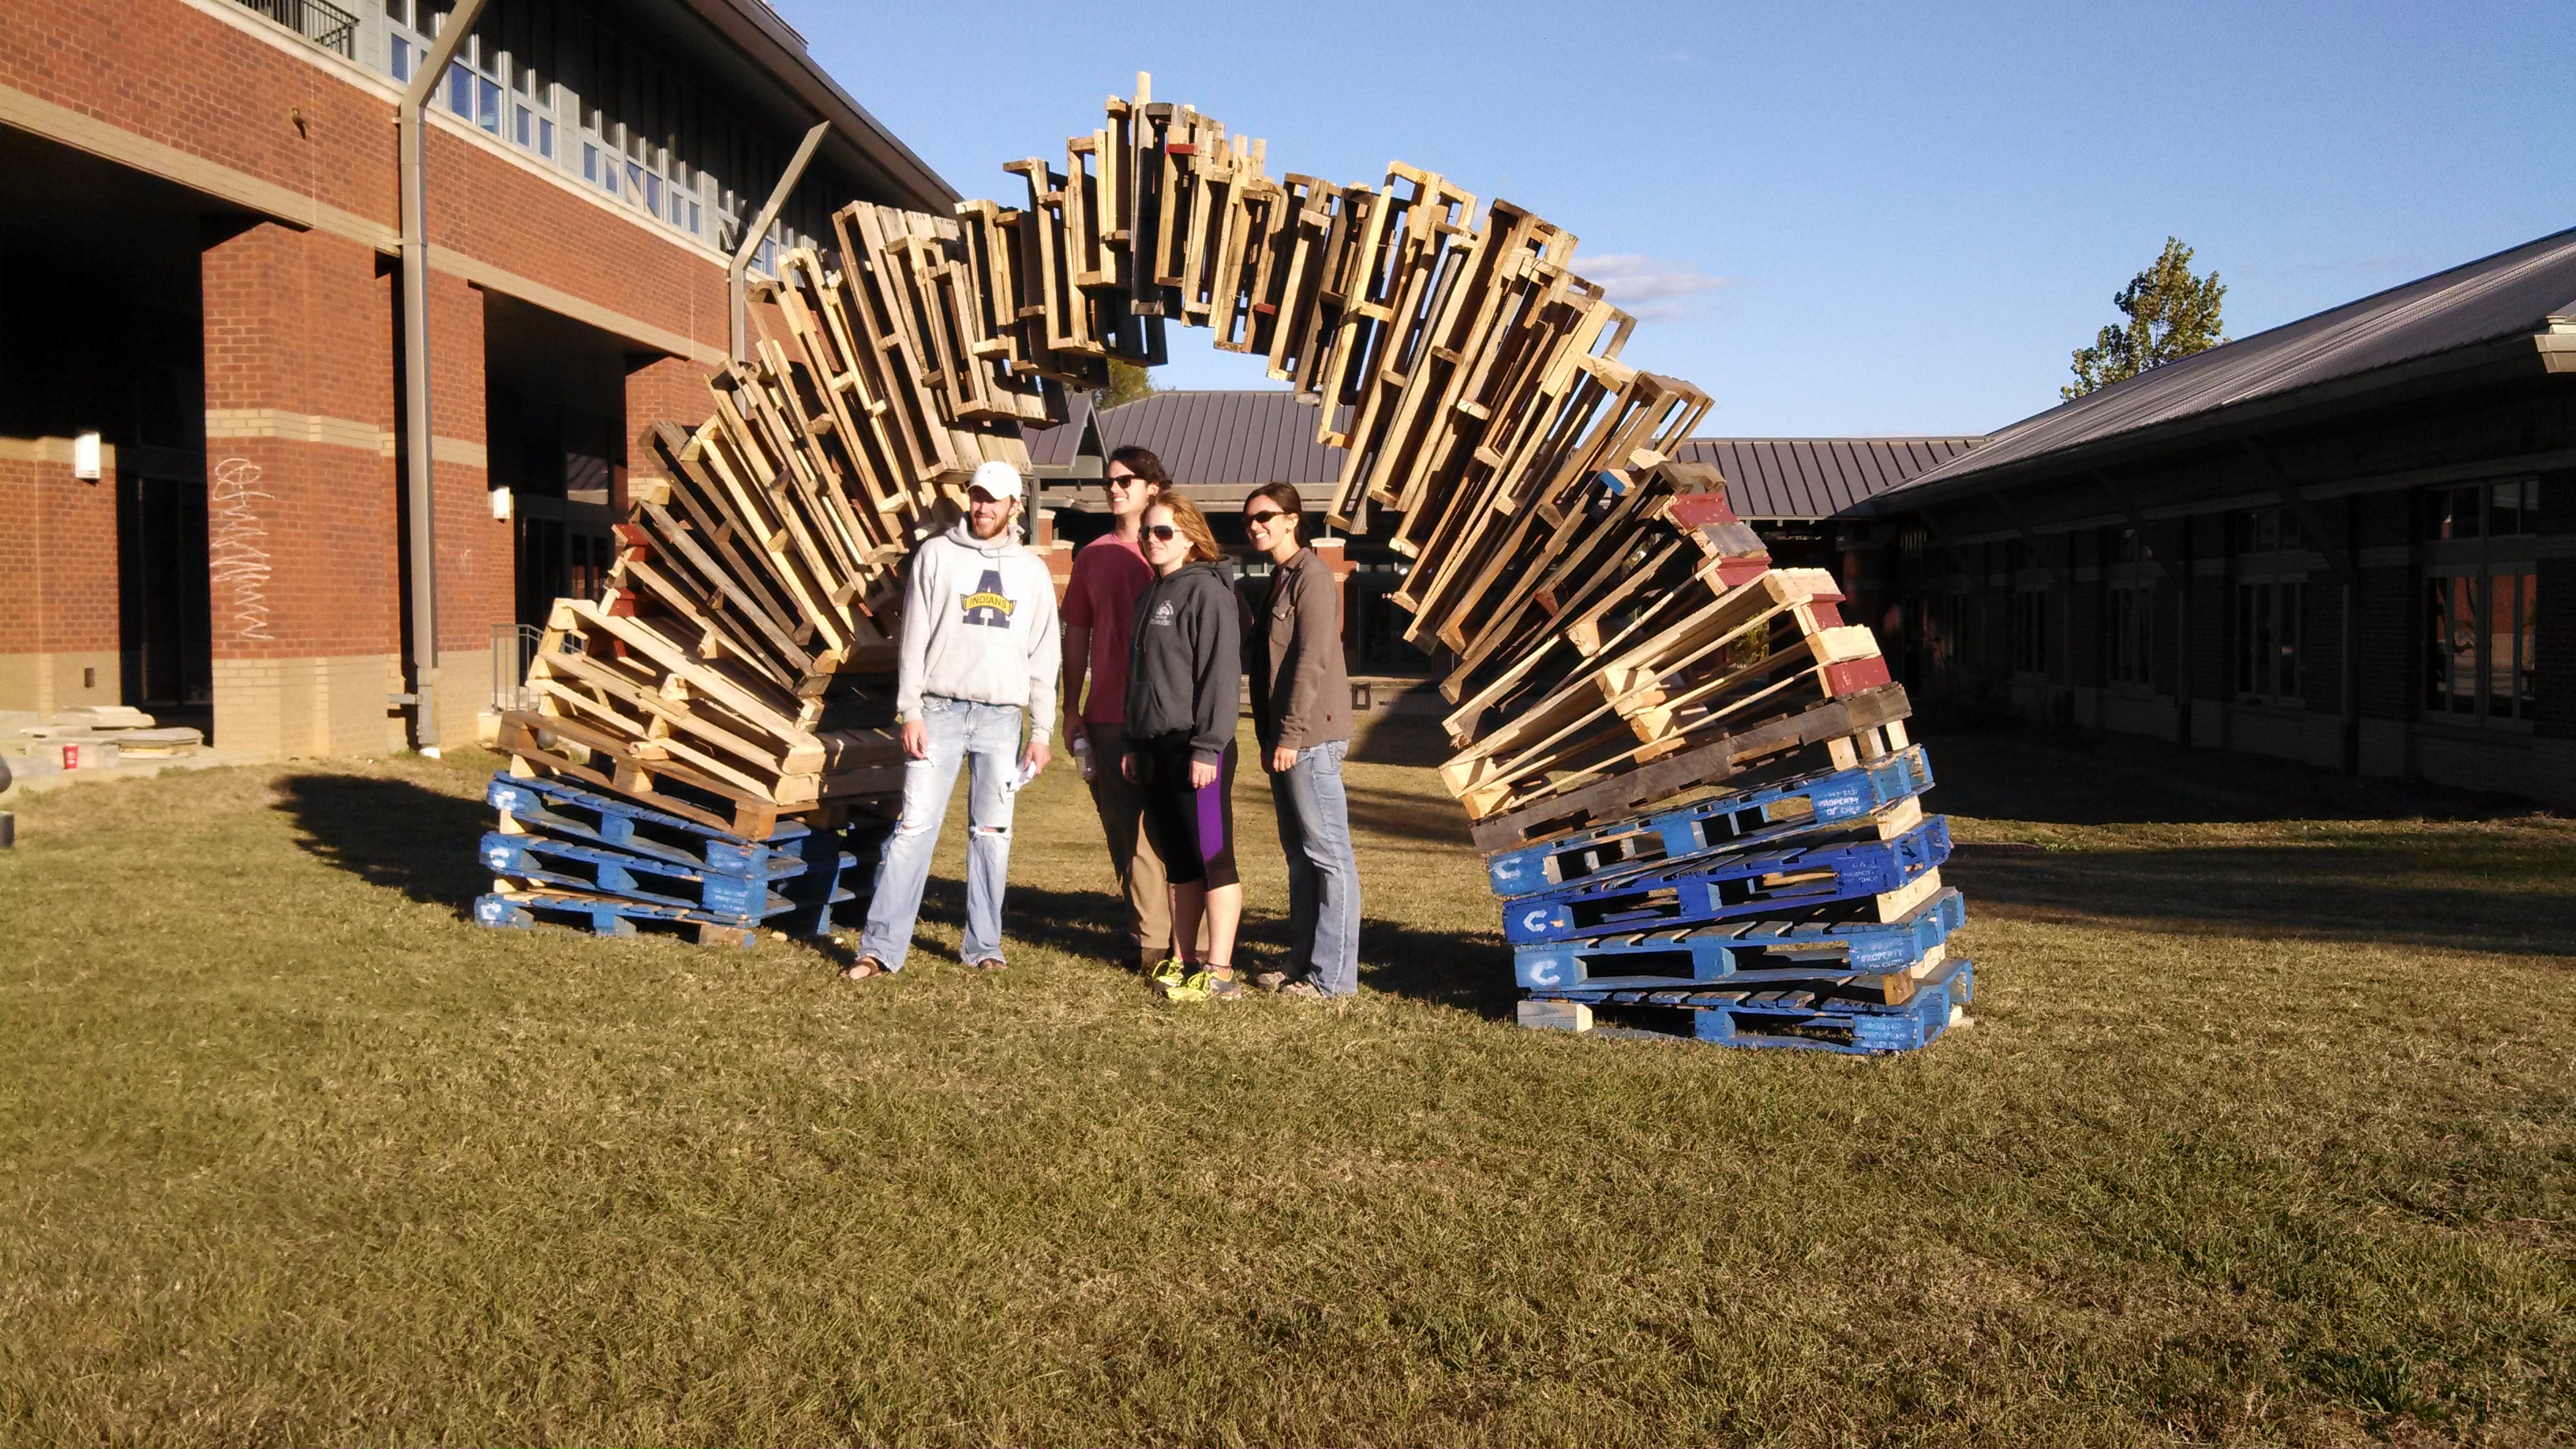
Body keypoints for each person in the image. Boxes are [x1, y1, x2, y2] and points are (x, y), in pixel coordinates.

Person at [841, 461, 1058, 982]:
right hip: (937, 712)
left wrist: (1043, 731)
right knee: (914, 829)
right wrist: (910, 710)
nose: (983, 507)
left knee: (992, 833)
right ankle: (880, 948)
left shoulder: (1031, 571)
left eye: (995, 499)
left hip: (1001, 719)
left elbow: (1044, 655)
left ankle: (984, 944)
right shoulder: (937, 556)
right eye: (977, 496)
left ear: (1013, 507)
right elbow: (912, 638)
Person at [1059, 445, 1193, 972]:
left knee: (1176, 831)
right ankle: (1151, 946)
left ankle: (1193, 943)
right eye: (1109, 481)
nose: (1114, 488)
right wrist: (1071, 708)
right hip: (1110, 714)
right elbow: (1077, 635)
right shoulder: (1091, 555)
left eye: (1126, 480)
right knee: (1128, 835)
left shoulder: (1181, 553)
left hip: (1170, 719)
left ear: (1153, 488)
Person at [1123, 494, 1245, 1002]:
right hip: (1153, 749)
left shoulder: (1207, 592)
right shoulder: (1151, 592)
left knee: (1213, 856)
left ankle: (1221, 971)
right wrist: (1133, 742)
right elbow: (1142, 678)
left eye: (1164, 532)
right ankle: (1184, 958)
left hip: (1197, 749)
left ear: (1190, 536)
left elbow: (1220, 675)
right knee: (1178, 860)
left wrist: (1208, 747)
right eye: (1147, 532)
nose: (1152, 540)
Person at [1241, 485, 1361, 1000]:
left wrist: (1287, 736)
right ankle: (1303, 962)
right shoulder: (1281, 579)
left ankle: (1332, 980)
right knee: (1301, 857)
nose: (1254, 526)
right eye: (1249, 519)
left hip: (1309, 740)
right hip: (1285, 741)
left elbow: (1311, 661)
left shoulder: (1312, 576)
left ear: (1292, 519)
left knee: (1330, 856)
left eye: (1264, 516)